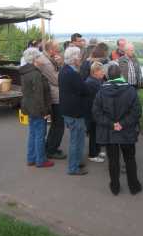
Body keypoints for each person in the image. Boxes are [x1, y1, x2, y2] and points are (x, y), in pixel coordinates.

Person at [93, 64, 142, 195]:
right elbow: (137, 112)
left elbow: (96, 113)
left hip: (110, 132)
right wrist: (122, 124)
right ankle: (134, 186)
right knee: (130, 159)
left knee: (113, 160)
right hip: (126, 130)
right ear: (121, 75)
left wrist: (112, 124)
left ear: (108, 76)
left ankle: (115, 187)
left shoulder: (101, 91)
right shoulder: (130, 90)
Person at [20, 48, 54, 168]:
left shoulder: (25, 72)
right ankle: (41, 160)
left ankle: (31, 158)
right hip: (37, 108)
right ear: (34, 59)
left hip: (29, 107)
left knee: (33, 133)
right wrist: (45, 111)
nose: (41, 58)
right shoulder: (36, 74)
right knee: (39, 134)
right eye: (39, 56)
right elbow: (39, 95)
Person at [59, 46, 88, 175]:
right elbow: (84, 90)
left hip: (67, 109)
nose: (81, 59)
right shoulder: (73, 73)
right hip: (75, 111)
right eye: (79, 57)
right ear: (74, 58)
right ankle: (73, 167)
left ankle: (76, 162)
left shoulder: (64, 70)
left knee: (75, 139)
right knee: (76, 140)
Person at [36, 40, 66, 159]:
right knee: (58, 125)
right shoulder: (46, 62)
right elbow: (57, 80)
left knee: (56, 125)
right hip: (55, 96)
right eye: (57, 49)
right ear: (51, 50)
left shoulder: (46, 58)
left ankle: (51, 147)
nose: (58, 51)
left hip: (53, 94)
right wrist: (62, 66)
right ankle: (51, 150)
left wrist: (58, 64)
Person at [85, 62, 106, 163]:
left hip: (95, 112)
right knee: (94, 133)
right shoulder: (92, 82)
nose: (103, 73)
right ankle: (92, 154)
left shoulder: (96, 81)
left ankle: (97, 150)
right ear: (95, 71)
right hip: (93, 113)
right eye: (101, 71)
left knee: (97, 132)